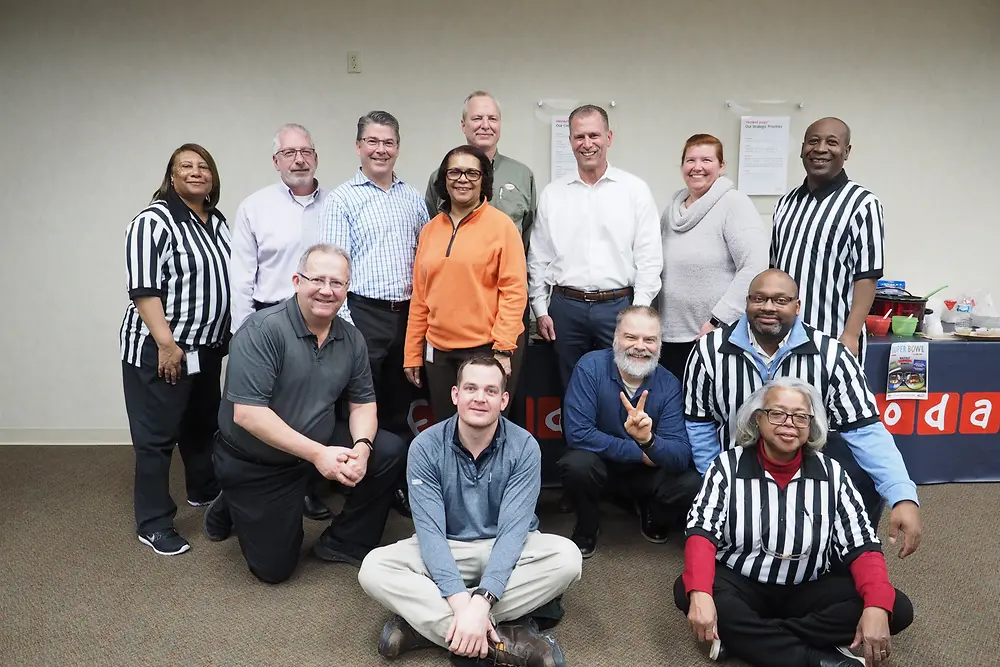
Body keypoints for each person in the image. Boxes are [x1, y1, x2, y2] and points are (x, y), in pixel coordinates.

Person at [358, 357, 582, 667]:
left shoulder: (525, 446)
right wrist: (464, 604)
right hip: (449, 547)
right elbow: (431, 534)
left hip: (506, 549)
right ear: (455, 395)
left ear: (503, 400)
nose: (479, 397)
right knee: (374, 568)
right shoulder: (425, 446)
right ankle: (495, 642)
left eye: (490, 390)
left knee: (567, 559)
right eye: (471, 388)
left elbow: (513, 533)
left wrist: (481, 602)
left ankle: (430, 628)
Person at [684, 269, 923, 558]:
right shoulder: (709, 351)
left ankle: (846, 552)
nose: (768, 307)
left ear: (797, 307)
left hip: (804, 464)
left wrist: (902, 495)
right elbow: (699, 423)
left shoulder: (831, 354)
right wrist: (717, 482)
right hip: (737, 463)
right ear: (746, 303)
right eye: (758, 298)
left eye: (780, 300)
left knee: (862, 474)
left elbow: (866, 429)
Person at [675, 378, 914, 667]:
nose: (789, 423)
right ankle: (813, 659)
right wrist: (700, 593)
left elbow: (862, 546)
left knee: (894, 608)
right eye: (777, 413)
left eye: (801, 416)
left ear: (811, 425)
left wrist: (876, 605)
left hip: (806, 587)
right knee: (689, 589)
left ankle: (746, 641)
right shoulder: (726, 466)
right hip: (742, 583)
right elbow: (701, 534)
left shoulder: (832, 473)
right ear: (757, 419)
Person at [203, 244, 406, 584]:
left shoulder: (351, 338)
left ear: (347, 289)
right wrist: (318, 455)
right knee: (274, 570)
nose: (327, 290)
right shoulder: (262, 330)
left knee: (387, 451)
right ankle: (230, 501)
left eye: (337, 283)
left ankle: (344, 542)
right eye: (318, 279)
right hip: (258, 462)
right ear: (297, 281)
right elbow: (248, 415)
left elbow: (362, 402)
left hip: (314, 449)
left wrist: (362, 448)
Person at [120, 143, 231, 556]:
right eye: (186, 166)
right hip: (162, 349)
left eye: (204, 166)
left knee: (202, 426)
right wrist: (166, 343)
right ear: (171, 176)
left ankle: (203, 491)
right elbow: (144, 289)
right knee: (157, 436)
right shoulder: (154, 221)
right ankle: (153, 522)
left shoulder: (216, 222)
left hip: (207, 348)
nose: (197, 172)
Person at [319, 111, 428, 514]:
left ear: (397, 148)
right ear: (359, 146)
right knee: (361, 403)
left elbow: (426, 258)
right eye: (373, 142)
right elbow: (332, 269)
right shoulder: (343, 199)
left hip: (408, 315)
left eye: (388, 142)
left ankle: (392, 481)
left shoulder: (413, 198)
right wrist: (344, 326)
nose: (381, 149)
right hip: (362, 313)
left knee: (401, 404)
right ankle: (353, 482)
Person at [229, 123, 332, 521]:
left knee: (317, 408)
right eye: (289, 153)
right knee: (276, 410)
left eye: (305, 151)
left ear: (316, 157)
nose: (299, 159)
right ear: (276, 161)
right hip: (271, 320)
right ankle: (262, 487)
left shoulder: (336, 203)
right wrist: (242, 334)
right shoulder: (254, 207)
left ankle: (308, 485)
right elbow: (241, 275)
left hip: (326, 318)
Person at [527, 104, 662, 391]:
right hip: (566, 308)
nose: (587, 144)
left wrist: (639, 310)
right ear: (570, 141)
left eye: (594, 135)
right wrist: (540, 309)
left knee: (622, 389)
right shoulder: (554, 194)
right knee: (570, 389)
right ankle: (575, 439)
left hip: (619, 307)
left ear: (609, 137)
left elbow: (649, 256)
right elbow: (538, 257)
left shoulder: (634, 190)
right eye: (579, 137)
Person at [559, 306, 702, 557]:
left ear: (659, 344)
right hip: (601, 467)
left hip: (646, 475)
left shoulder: (668, 383)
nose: (640, 346)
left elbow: (680, 454)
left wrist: (649, 441)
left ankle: (653, 515)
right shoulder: (590, 367)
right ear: (616, 337)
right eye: (631, 337)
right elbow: (578, 433)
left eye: (650, 339)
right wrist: (640, 452)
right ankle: (587, 527)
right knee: (576, 464)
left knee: (691, 482)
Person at [425, 90, 536, 407]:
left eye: (492, 118)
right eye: (477, 118)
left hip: (505, 315)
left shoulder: (522, 175)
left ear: (500, 124)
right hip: (457, 316)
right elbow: (437, 237)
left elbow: (530, 237)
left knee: (497, 407)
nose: (485, 125)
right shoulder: (440, 176)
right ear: (463, 125)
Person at [404, 145, 527, 423]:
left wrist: (503, 350)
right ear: (443, 180)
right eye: (455, 172)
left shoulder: (502, 226)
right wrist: (412, 353)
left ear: (484, 179)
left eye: (472, 173)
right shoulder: (430, 231)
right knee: (448, 431)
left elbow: (514, 292)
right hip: (440, 354)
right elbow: (420, 298)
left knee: (488, 431)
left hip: (488, 351)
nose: (463, 179)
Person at [658, 134, 768, 381]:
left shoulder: (734, 204)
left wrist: (717, 321)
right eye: (690, 160)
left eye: (706, 160)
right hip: (670, 337)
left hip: (715, 335)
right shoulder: (671, 210)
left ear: (721, 165)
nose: (697, 167)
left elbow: (754, 268)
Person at [771, 117, 883, 358]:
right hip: (782, 339)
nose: (820, 148)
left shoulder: (862, 203)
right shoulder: (785, 204)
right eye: (813, 141)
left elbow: (867, 276)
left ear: (846, 151)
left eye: (831, 142)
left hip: (834, 338)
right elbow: (775, 270)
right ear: (802, 149)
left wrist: (851, 334)